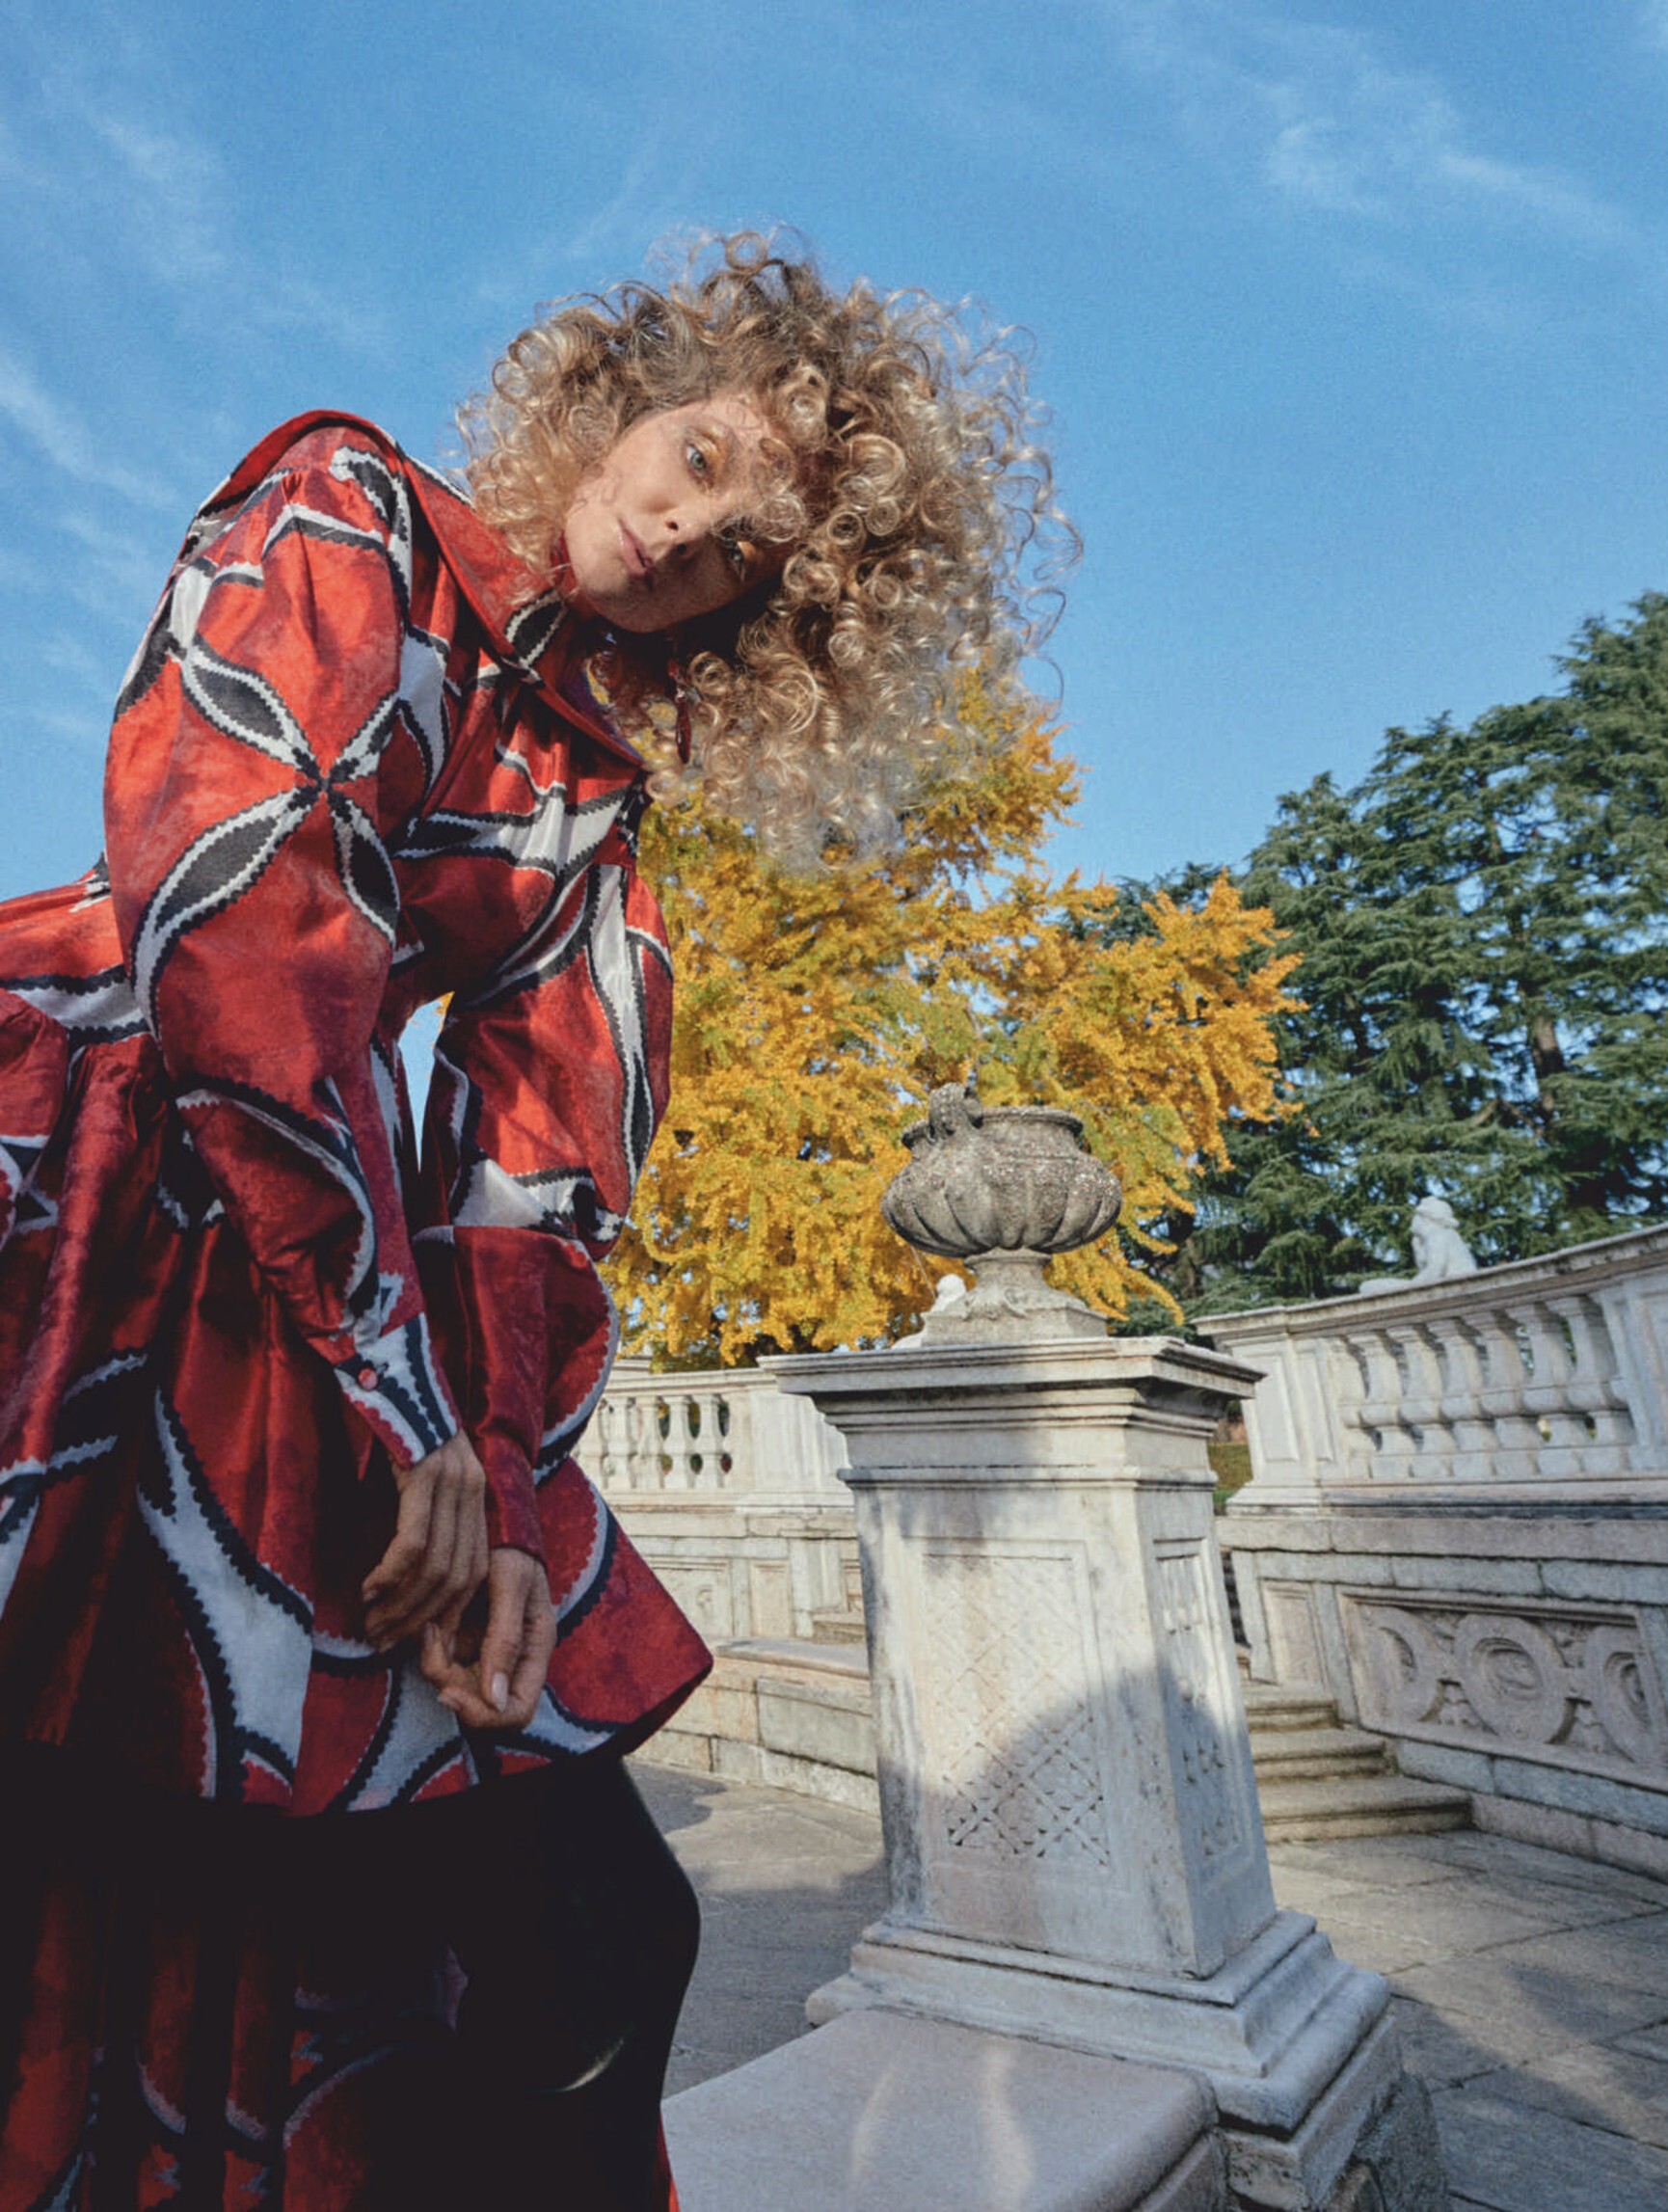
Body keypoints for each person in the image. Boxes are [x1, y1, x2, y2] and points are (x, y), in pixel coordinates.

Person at [0, 233, 1064, 2208]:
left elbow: (542, 1159)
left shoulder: (589, 797)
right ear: (614, 401)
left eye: (741, 553)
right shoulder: (346, 510)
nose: (682, 535)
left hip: (312, 1300)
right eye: (695, 459)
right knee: (91, 1852)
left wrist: (491, 1475)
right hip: (77, 1175)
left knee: (591, 1933)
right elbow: (242, 914)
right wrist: (399, 1400)